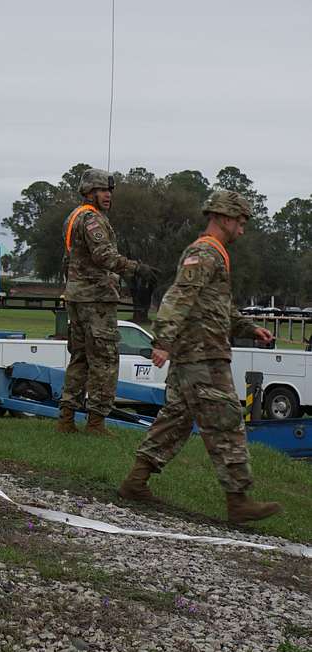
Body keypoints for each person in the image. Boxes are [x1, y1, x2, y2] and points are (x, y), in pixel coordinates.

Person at [118, 189, 280, 524]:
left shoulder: (214, 254)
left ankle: (135, 482)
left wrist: (251, 329)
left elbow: (216, 307)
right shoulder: (205, 252)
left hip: (194, 355)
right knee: (226, 421)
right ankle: (238, 501)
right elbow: (179, 297)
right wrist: (162, 341)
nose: (242, 229)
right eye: (240, 221)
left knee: (175, 420)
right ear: (223, 218)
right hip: (203, 357)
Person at [57, 167, 154, 436]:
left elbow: (69, 260)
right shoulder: (92, 219)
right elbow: (104, 256)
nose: (108, 195)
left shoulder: (73, 217)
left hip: (77, 297)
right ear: (89, 192)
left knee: (79, 358)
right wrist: (136, 268)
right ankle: (96, 422)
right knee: (105, 359)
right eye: (102, 190)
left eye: (109, 190)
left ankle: (66, 419)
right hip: (96, 300)